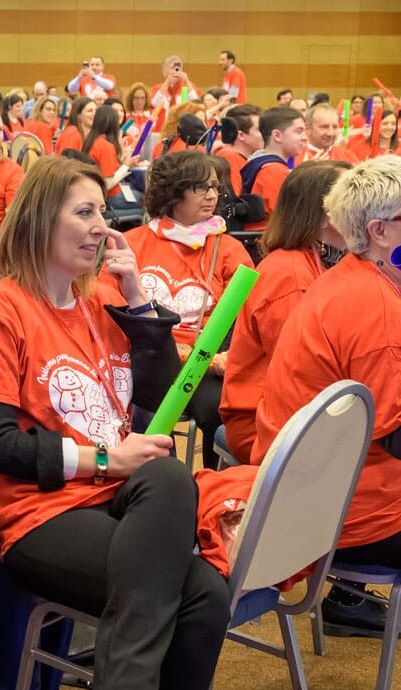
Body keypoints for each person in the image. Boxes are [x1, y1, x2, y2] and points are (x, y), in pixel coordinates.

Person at [0, 155, 228, 690]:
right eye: (84, 212)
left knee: (169, 475)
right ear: (39, 219)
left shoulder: (101, 299)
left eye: (102, 211)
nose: (102, 226)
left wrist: (139, 298)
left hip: (117, 496)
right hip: (42, 512)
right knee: (201, 595)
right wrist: (107, 459)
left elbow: (163, 396)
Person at [251, 155, 401, 638]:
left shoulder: (354, 277)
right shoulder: (374, 307)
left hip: (317, 491)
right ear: (380, 231)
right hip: (346, 512)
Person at [117, 150, 254, 470]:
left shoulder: (227, 248)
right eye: (200, 187)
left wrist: (216, 357)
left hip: (206, 361)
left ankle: (212, 487)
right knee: (143, 404)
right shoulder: (133, 243)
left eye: (215, 187)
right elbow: (107, 304)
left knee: (220, 409)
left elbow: (249, 316)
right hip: (143, 357)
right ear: (173, 192)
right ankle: (162, 479)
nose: (211, 196)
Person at [220, 160, 349, 465]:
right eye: (351, 199)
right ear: (322, 215)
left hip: (297, 411)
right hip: (263, 423)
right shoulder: (290, 277)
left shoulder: (325, 260)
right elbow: (303, 374)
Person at [240, 107, 308, 223]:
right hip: (269, 232)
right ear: (277, 136)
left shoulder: (258, 161)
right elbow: (285, 219)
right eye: (298, 131)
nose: (305, 137)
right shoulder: (274, 170)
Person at [83, 104, 140, 196]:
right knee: (143, 196)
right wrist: (126, 165)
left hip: (93, 191)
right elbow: (108, 184)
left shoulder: (91, 141)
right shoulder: (106, 146)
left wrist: (122, 160)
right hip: (111, 195)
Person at [213, 105, 263, 195]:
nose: (265, 133)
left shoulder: (235, 157)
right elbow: (236, 199)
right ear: (241, 135)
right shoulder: (230, 158)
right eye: (259, 129)